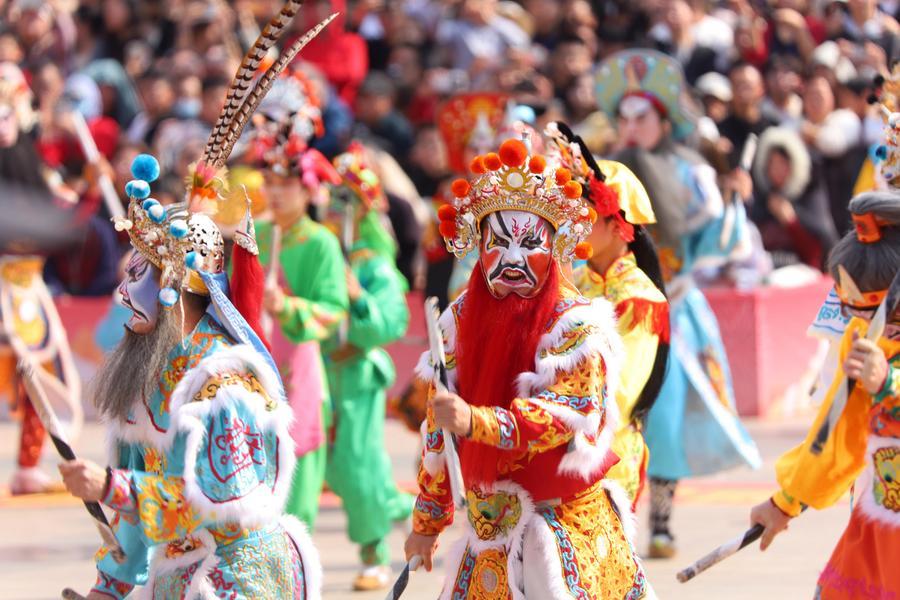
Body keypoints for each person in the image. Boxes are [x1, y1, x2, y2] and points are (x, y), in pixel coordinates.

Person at [55, 5, 335, 595]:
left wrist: (112, 488)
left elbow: (216, 498)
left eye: (140, 273)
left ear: (179, 284)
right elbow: (136, 521)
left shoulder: (223, 384)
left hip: (242, 574)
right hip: (181, 573)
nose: (123, 290)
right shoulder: (146, 375)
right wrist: (111, 586)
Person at [404, 138, 651, 597]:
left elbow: (564, 413)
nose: (513, 259)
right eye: (498, 244)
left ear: (554, 248)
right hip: (488, 533)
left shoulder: (575, 326)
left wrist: (477, 421)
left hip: (559, 527)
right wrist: (428, 521)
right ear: (479, 248)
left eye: (530, 244)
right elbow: (440, 431)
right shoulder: (458, 320)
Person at [596, 49, 761, 558]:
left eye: (641, 117)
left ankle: (661, 520)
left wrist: (733, 198)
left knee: (662, 418)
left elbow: (722, 241)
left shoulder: (692, 174)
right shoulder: (601, 173)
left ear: (664, 122)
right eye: (623, 118)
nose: (631, 128)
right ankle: (608, 517)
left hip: (671, 309)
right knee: (607, 410)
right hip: (608, 306)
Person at [749, 190, 900, 599]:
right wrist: (784, 503)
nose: (853, 320)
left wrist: (889, 383)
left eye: (864, 309)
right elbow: (836, 437)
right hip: (882, 517)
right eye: (848, 307)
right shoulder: (862, 341)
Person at [547, 122, 670, 509]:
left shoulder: (639, 298)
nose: (572, 224)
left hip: (608, 455)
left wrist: (550, 409)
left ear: (618, 226)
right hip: (555, 442)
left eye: (584, 215)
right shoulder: (574, 281)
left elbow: (621, 391)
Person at [247, 67, 349, 531]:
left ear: (308, 188)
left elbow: (333, 309)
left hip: (300, 367)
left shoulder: (320, 243)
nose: (275, 192)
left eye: (285, 184)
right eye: (269, 183)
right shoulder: (256, 234)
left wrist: (287, 307)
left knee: (298, 489)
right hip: (256, 365)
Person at [320, 144, 413, 590]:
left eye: (345, 200)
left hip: (356, 373)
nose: (335, 209)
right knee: (324, 466)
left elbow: (390, 323)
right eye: (331, 198)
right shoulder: (322, 250)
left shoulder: (374, 265)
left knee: (358, 464)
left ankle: (374, 552)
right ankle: (397, 505)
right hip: (318, 370)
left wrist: (357, 297)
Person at [0, 61, 82, 495]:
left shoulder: (29, 158)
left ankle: (28, 463)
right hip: (6, 279)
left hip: (26, 284)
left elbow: (59, 208)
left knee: (38, 371)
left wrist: (88, 187)